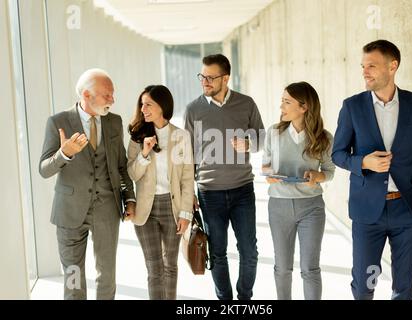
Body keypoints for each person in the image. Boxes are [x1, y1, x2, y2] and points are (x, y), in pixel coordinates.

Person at [332, 40, 412, 300]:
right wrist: (363, 163)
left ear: (393, 66)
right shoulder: (352, 107)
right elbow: (338, 154)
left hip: (408, 211)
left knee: (403, 286)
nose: (365, 72)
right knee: (365, 283)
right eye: (363, 66)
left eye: (372, 66)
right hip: (368, 214)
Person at [39, 68, 136, 300]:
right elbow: (44, 169)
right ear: (86, 95)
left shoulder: (114, 122)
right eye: (107, 95)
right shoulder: (58, 122)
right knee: (73, 276)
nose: (112, 100)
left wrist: (129, 198)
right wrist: (64, 154)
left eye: (112, 94)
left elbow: (121, 165)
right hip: (69, 212)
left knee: (107, 274)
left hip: (106, 209)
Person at [184, 54, 265, 300]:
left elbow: (262, 138)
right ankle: (225, 300)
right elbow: (187, 156)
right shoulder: (194, 109)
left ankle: (244, 298)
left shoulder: (246, 103)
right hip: (209, 193)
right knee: (218, 252)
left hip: (242, 190)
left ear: (226, 78)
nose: (205, 82)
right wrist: (189, 193)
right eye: (202, 77)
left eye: (210, 77)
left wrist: (248, 143)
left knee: (249, 251)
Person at [262, 82, 335, 300]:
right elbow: (265, 165)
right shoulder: (273, 132)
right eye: (282, 101)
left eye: (287, 102)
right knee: (282, 267)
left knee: (310, 268)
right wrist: (269, 173)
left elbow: (329, 171)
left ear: (303, 107)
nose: (281, 106)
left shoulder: (324, 138)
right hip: (279, 206)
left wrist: (317, 176)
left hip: (311, 207)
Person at [127, 85, 194, 300]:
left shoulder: (181, 136)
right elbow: (132, 174)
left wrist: (186, 214)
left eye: (149, 104)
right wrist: (144, 153)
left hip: (172, 208)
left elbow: (187, 177)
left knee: (170, 266)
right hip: (146, 209)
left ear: (162, 106)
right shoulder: (137, 137)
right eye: (142, 104)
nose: (143, 108)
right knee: (154, 269)